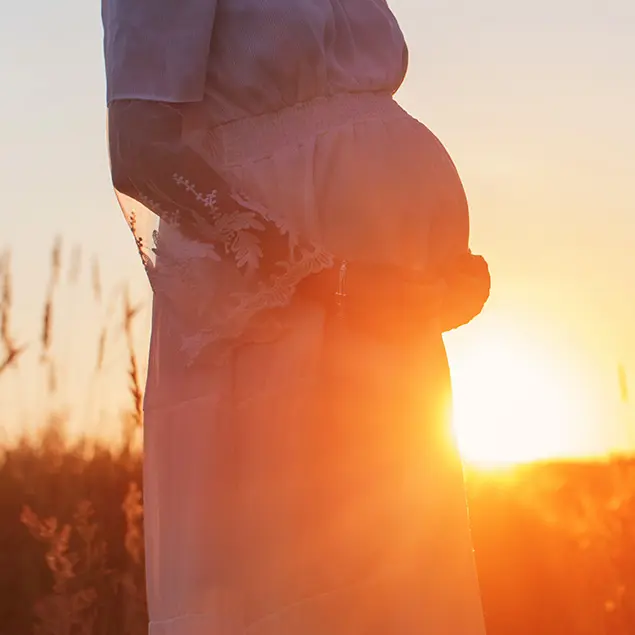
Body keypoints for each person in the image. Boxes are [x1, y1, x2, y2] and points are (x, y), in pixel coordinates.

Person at [102, 1, 491, 634]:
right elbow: (141, 151)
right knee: (310, 596)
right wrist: (323, 279)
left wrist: (434, 272)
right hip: (277, 334)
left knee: (399, 594)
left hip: (383, 346)